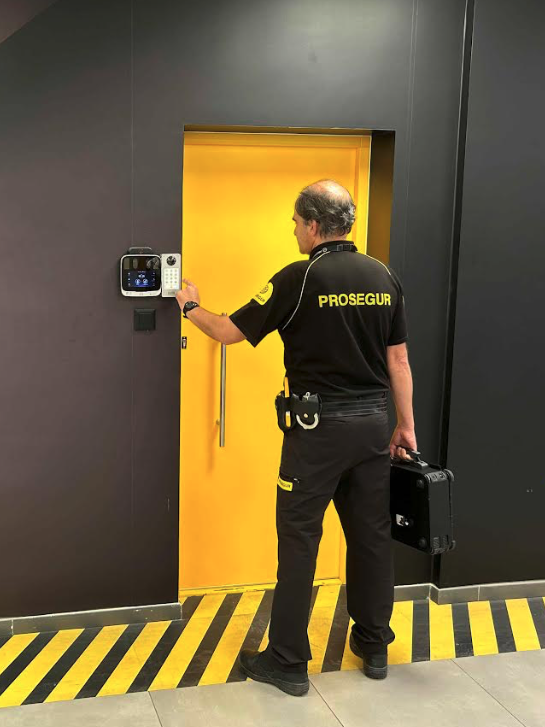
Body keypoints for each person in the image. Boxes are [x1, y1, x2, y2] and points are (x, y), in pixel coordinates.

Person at [175, 179, 416, 697]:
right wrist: (406, 426)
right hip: (374, 427)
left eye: (295, 223)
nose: (293, 231)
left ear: (312, 225)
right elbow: (398, 360)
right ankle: (374, 645)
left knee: (300, 539)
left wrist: (189, 307)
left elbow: (228, 331)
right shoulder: (384, 276)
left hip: (318, 432)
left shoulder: (298, 279)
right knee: (371, 536)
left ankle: (286, 660)